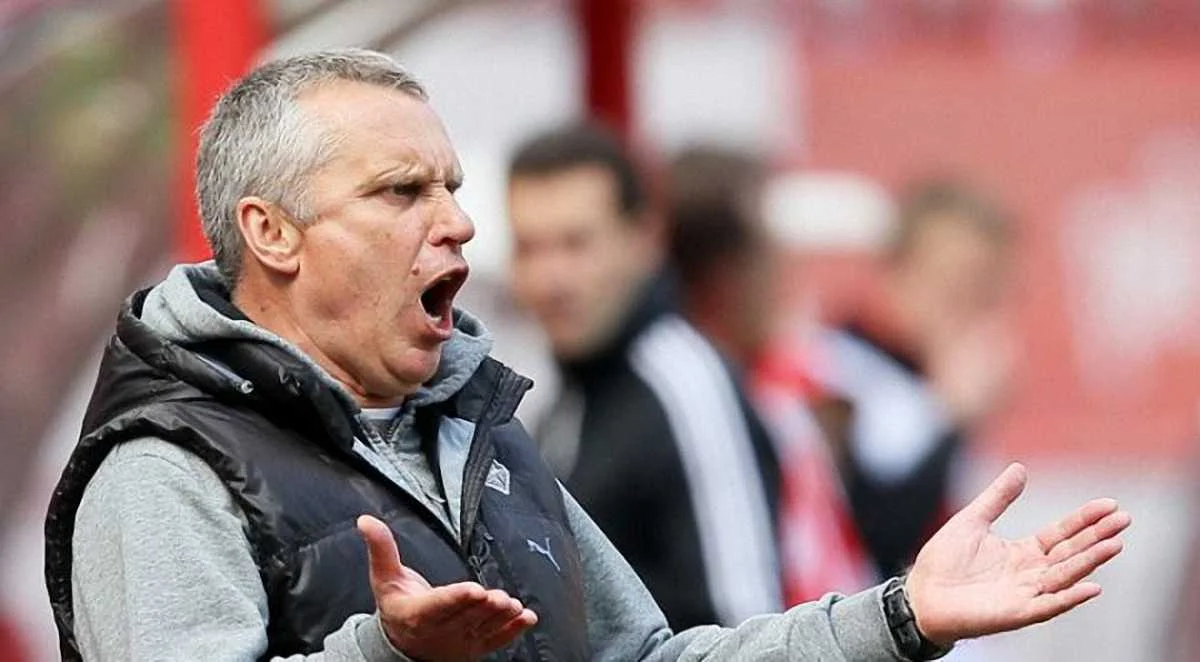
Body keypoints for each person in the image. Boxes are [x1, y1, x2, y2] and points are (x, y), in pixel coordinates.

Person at [44, 49, 1130, 662]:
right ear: (271, 233)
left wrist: (898, 617)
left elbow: (647, 658)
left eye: (450, 187)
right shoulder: (163, 471)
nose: (459, 223)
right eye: (401, 191)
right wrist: (390, 655)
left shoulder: (476, 429)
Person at [504, 124, 785, 630]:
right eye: (529, 247)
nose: (551, 278)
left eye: (576, 244)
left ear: (643, 240)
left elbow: (748, 620)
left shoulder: (688, 384)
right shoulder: (564, 394)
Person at [666, 145, 874, 605]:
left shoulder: (784, 386)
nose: (783, 265)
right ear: (725, 275)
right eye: (766, 243)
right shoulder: (702, 413)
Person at [811, 180, 1019, 580]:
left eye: (988, 291)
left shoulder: (930, 379)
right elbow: (872, 543)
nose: (972, 309)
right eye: (956, 285)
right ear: (898, 270)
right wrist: (951, 419)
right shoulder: (834, 372)